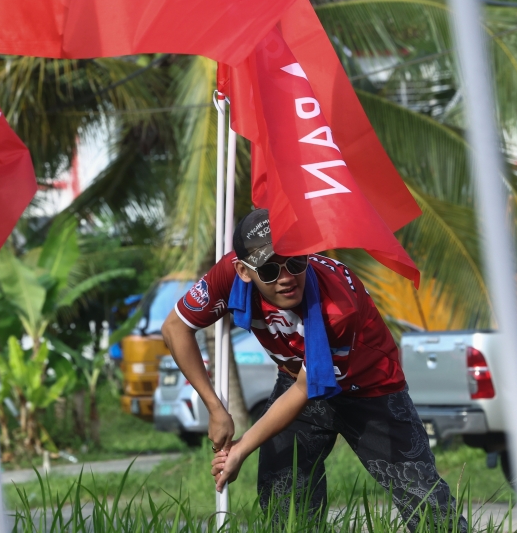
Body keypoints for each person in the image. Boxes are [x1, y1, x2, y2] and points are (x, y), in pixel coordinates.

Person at [161, 208, 466, 531]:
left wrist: (241, 450)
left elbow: (308, 388)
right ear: (244, 271)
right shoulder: (228, 274)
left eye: (295, 261)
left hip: (371, 390)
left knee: (424, 498)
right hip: (295, 378)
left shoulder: (338, 308)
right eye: (269, 270)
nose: (287, 278)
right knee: (282, 496)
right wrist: (215, 408)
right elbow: (174, 329)